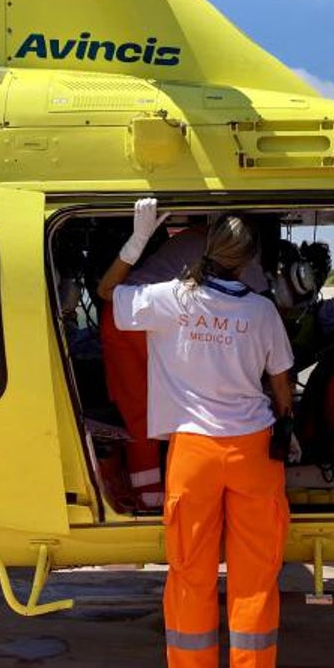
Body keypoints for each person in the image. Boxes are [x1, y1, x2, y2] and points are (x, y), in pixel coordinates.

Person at [97, 200, 294, 668]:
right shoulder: (261, 311)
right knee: (256, 580)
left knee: (191, 578)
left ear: (208, 250)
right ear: (249, 260)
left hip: (193, 455)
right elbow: (281, 381)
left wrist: (137, 243)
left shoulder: (169, 301)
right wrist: (286, 423)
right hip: (253, 451)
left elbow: (107, 293)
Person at [98, 218, 269, 509]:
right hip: (150, 316)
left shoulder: (189, 239)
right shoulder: (236, 248)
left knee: (139, 413)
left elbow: (107, 291)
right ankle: (177, 495)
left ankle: (147, 502)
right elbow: (257, 299)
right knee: (195, 407)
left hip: (120, 315)